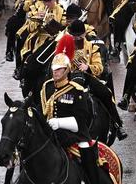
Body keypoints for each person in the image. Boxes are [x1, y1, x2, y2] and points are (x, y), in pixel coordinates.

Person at [35, 53, 102, 184]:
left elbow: (80, 122)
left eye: (59, 69)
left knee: (85, 148)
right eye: (54, 69)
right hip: (50, 132)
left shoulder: (76, 91)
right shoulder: (46, 87)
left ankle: (91, 180)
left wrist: (59, 122)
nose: (55, 72)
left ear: (66, 70)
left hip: (73, 135)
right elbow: (42, 110)